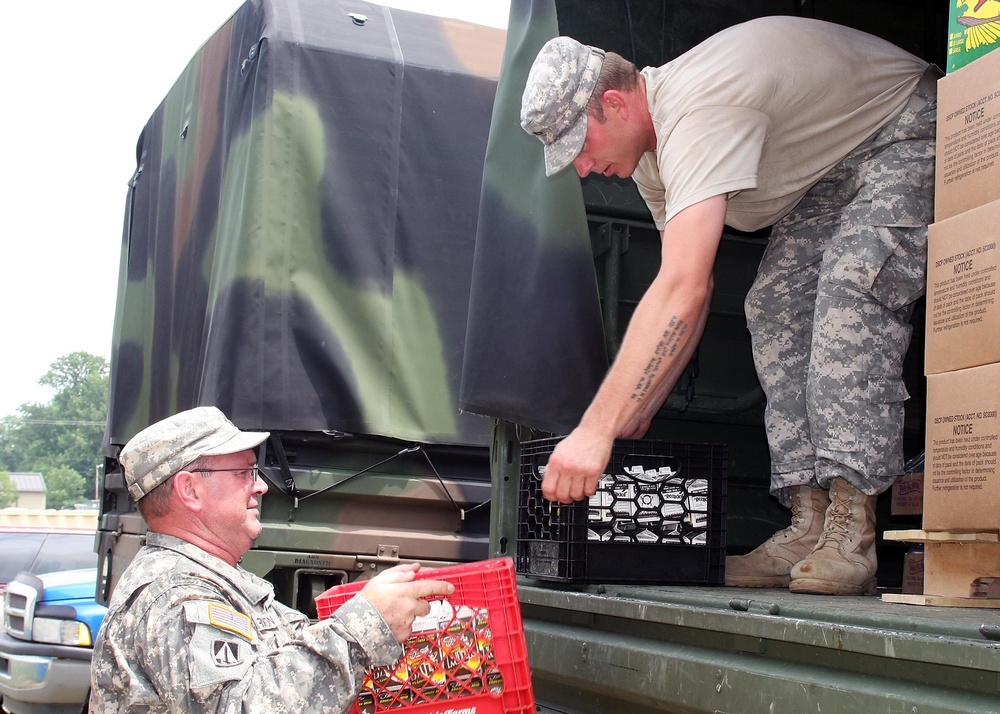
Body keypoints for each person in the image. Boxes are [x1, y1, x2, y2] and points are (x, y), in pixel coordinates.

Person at [519, 16, 939, 595]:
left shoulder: (696, 113)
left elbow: (683, 289)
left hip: (904, 127)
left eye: (581, 148)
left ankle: (852, 524)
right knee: (772, 305)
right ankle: (808, 520)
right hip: (832, 170)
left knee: (851, 289)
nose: (584, 168)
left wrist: (596, 430)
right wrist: (644, 400)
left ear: (614, 103)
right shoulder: (650, 152)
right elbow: (690, 283)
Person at [90, 406, 454, 712]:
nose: (261, 485)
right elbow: (243, 705)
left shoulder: (216, 583)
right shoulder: (174, 596)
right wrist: (361, 629)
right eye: (244, 472)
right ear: (190, 489)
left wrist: (379, 613)